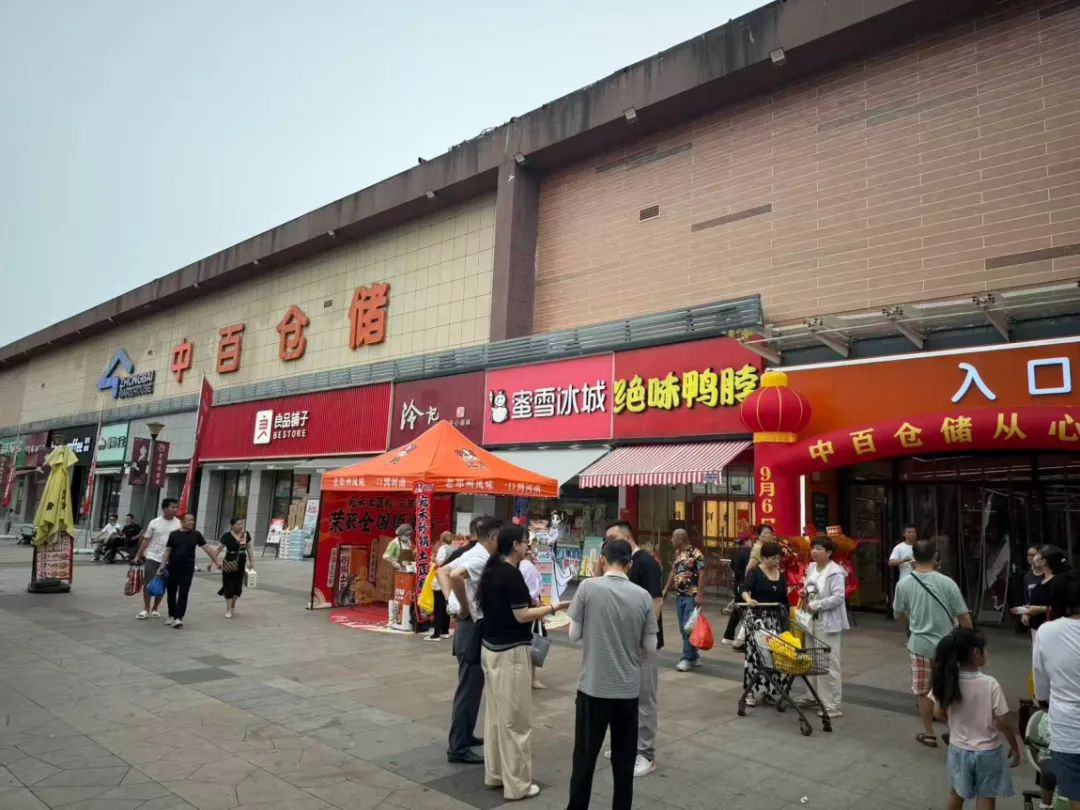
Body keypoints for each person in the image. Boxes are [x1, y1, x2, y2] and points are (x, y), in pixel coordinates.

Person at [477, 525, 569, 801]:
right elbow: (522, 615)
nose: (528, 546)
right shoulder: (511, 574)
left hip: (491, 649)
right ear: (515, 545)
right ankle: (517, 784)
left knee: (496, 717)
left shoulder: (493, 570)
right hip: (511, 653)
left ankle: (495, 773)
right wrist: (554, 607)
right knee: (516, 721)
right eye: (526, 542)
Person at [566, 537, 658, 810]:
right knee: (624, 760)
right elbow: (651, 647)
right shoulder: (642, 596)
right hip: (627, 690)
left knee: (584, 759)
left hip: (592, 687)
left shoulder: (587, 588)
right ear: (630, 565)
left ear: (602, 560)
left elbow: (573, 635)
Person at [894, 539, 973, 749]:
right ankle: (955, 731)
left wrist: (911, 624)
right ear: (936, 557)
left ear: (914, 557)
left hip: (919, 645)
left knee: (922, 690)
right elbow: (964, 617)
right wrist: (971, 642)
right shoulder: (948, 583)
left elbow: (898, 613)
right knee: (950, 686)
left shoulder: (903, 584)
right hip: (948, 645)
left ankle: (929, 733)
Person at [445, 516, 502, 764]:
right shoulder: (479, 558)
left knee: (472, 686)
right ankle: (457, 748)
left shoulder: (475, 552)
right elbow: (454, 575)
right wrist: (464, 607)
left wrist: (453, 603)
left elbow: (442, 571)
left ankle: (465, 736)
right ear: (494, 537)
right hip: (471, 628)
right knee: (468, 689)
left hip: (468, 627)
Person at [1033, 573, 1080, 810]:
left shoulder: (1047, 632)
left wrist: (1043, 701)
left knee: (1075, 792)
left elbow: (1041, 684)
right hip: (1067, 725)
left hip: (1067, 728)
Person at [798, 536, 849, 719]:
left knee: (828, 662)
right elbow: (810, 587)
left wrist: (816, 604)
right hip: (810, 621)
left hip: (827, 623)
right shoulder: (812, 567)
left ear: (829, 552)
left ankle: (832, 705)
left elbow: (838, 597)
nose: (814, 551)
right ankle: (812, 696)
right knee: (812, 659)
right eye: (813, 548)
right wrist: (804, 592)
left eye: (819, 548)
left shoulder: (835, 572)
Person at [738, 540, 790, 708]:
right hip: (758, 619)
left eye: (778, 558)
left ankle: (771, 691)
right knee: (755, 655)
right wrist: (749, 599)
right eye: (773, 558)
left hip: (776, 620)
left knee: (774, 656)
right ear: (764, 557)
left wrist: (787, 618)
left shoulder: (780, 574)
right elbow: (743, 588)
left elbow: (784, 598)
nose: (776, 561)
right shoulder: (755, 572)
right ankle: (750, 691)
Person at [159, 513, 221, 628]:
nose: (191, 522)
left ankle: (178, 618)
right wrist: (162, 565)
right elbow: (168, 550)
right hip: (172, 567)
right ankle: (171, 615)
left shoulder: (196, 534)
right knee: (171, 592)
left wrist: (216, 561)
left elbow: (207, 548)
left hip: (187, 568)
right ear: (182, 522)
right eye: (189, 520)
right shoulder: (174, 534)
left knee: (184, 592)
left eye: (193, 520)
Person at [663, 528, 705, 673]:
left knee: (688, 628)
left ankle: (686, 658)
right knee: (684, 628)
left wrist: (700, 594)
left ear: (680, 539)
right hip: (680, 596)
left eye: (673, 538)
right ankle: (694, 656)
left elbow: (702, 574)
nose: (671, 540)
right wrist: (666, 589)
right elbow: (673, 572)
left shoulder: (696, 553)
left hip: (691, 596)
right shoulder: (678, 553)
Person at [134, 499, 181, 620]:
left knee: (162, 584)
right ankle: (146, 608)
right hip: (153, 556)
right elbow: (146, 540)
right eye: (172, 507)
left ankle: (155, 608)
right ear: (165, 508)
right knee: (148, 583)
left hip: (170, 559)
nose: (175, 509)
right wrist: (138, 555)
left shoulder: (179, 524)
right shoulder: (154, 522)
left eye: (176, 507)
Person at [517, 546, 546, 688]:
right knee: (532, 641)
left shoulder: (517, 565)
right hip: (529, 608)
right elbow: (533, 592)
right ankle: (531, 677)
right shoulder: (527, 567)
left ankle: (528, 677)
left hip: (524, 607)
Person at [217, 517, 252, 619]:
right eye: (237, 524)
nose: (240, 526)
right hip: (229, 563)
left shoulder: (245, 535)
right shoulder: (227, 536)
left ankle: (232, 605)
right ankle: (228, 609)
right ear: (232, 526)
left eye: (241, 524)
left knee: (237, 588)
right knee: (228, 586)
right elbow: (218, 549)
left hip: (241, 564)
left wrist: (251, 561)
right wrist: (214, 561)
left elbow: (249, 548)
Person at [723, 535, 752, 645]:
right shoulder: (748, 553)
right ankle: (740, 639)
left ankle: (728, 636)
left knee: (738, 610)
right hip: (745, 585)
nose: (752, 542)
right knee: (747, 611)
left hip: (737, 584)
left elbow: (732, 566)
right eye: (750, 540)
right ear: (746, 541)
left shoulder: (736, 553)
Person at [426, 531, 455, 641]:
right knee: (445, 606)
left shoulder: (443, 548)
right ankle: (445, 631)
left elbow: (439, 563)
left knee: (438, 607)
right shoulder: (453, 549)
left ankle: (436, 633)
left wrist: (433, 558)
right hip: (450, 580)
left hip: (440, 581)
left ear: (442, 538)